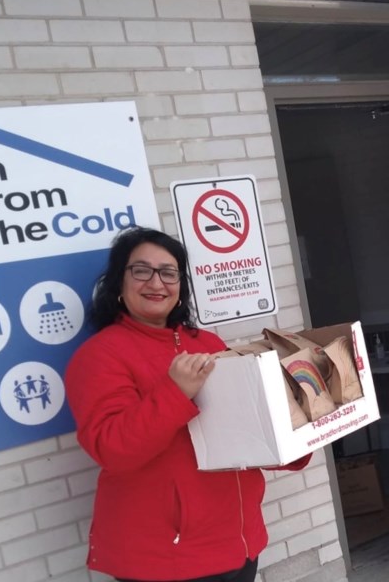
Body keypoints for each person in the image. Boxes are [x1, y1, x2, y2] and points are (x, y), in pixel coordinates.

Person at [66, 227, 311, 582]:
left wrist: (298, 437)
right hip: (167, 556)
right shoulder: (99, 356)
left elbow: (243, 426)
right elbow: (113, 449)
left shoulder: (207, 341)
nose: (156, 282)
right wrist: (175, 392)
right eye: (141, 270)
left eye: (169, 272)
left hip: (238, 542)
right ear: (118, 281)